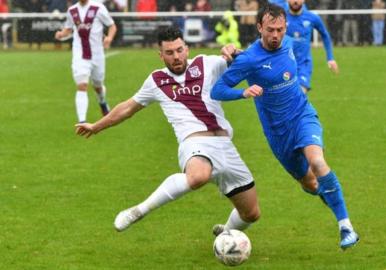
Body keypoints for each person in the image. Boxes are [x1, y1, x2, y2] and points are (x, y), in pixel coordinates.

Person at [75, 26, 261, 234]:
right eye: (170, 53)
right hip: (195, 143)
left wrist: (234, 52)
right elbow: (127, 108)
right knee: (198, 176)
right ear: (160, 55)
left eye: (180, 50)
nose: (176, 57)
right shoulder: (156, 80)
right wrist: (96, 126)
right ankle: (139, 210)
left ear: (187, 49)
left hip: (226, 145)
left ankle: (224, 234)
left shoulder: (207, 64)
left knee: (250, 213)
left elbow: (247, 64)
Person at [211, 3, 359, 249]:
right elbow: (217, 90)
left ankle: (346, 226)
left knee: (318, 162)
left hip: (302, 116)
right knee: (311, 184)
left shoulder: (290, 42)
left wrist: (329, 59)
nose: (276, 35)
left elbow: (316, 41)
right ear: (259, 27)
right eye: (270, 30)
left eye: (280, 29)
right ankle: (332, 197)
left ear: (285, 27)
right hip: (278, 134)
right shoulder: (249, 59)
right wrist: (243, 92)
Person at [55, 0, 117, 123]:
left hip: (97, 55)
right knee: (82, 85)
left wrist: (109, 38)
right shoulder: (72, 11)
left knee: (98, 85)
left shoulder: (98, 8)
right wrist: (61, 34)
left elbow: (112, 26)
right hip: (80, 55)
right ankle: (82, 121)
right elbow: (68, 29)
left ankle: (102, 102)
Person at [285, 0, 338, 93]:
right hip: (285, 64)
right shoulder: (281, 18)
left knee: (299, 94)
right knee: (285, 99)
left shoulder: (312, 17)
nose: (296, 1)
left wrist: (330, 58)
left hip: (304, 64)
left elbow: (325, 35)